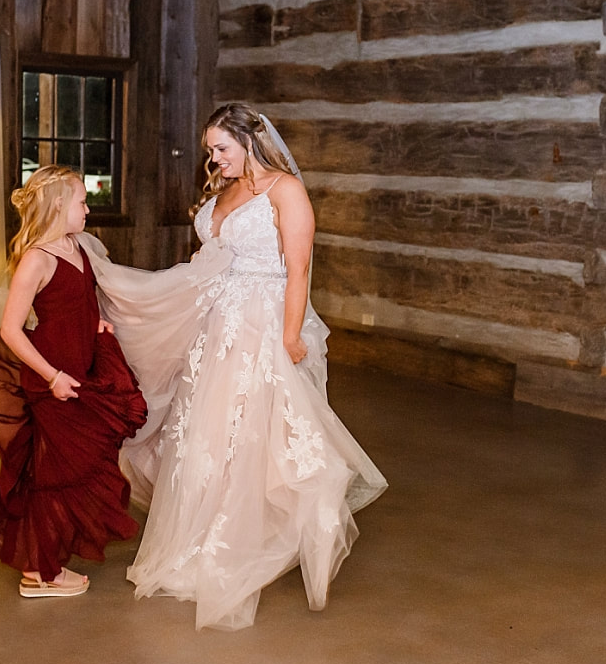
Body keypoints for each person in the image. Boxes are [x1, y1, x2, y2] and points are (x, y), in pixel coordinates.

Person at [77, 103, 388, 630]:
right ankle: (197, 540)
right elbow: (210, 259)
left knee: (254, 434)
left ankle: (245, 541)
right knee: (206, 432)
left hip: (261, 324)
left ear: (252, 141)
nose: (214, 159)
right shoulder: (227, 187)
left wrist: (290, 336)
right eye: (211, 151)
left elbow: (299, 268)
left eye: (222, 148)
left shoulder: (285, 190)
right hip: (215, 324)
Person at [0, 165, 148, 598]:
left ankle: (1, 511)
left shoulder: (76, 246)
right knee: (57, 473)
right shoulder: (37, 258)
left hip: (81, 369)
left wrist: (97, 325)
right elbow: (13, 330)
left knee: (64, 462)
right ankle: (39, 573)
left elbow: (79, 300)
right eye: (81, 202)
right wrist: (51, 376)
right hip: (53, 377)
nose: (87, 209)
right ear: (58, 206)